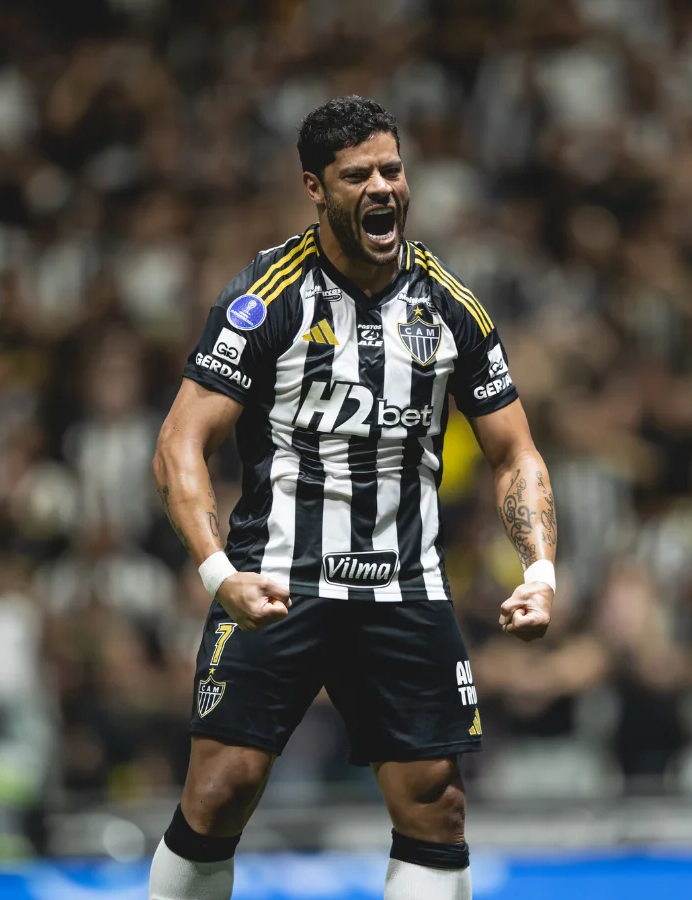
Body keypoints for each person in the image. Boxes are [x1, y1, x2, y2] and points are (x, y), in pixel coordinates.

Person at [150, 96, 557, 900]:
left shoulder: (450, 306)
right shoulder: (267, 298)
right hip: (278, 578)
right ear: (315, 187)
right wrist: (216, 573)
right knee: (223, 786)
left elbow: (516, 452)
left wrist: (539, 570)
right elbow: (179, 444)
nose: (382, 188)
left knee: (437, 805)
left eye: (392, 170)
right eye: (357, 175)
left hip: (404, 585)